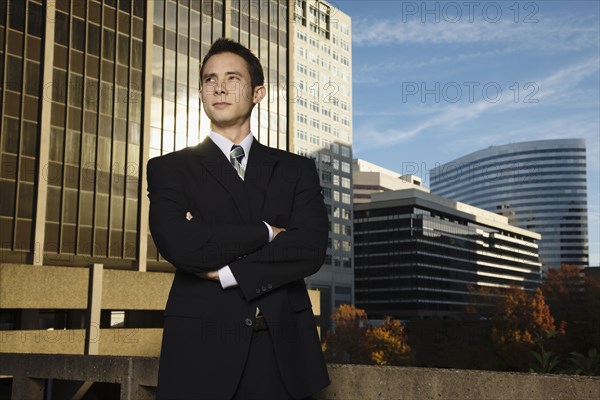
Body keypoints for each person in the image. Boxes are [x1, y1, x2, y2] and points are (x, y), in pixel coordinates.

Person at [147, 38, 330, 399]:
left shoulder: (296, 169)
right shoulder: (169, 169)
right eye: (209, 79)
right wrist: (267, 231)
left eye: (233, 78)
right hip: (200, 350)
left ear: (258, 92)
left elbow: (310, 248)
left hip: (283, 349)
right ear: (200, 93)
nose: (219, 87)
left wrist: (229, 271)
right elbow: (181, 245)